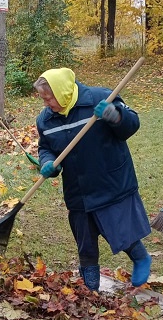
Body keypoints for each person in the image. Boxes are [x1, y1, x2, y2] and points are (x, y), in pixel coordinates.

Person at [34, 67, 152, 291]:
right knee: (85, 239)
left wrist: (114, 115)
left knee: (118, 227)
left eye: (49, 98)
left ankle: (140, 257)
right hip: (78, 187)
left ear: (63, 92)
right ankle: (90, 289)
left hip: (109, 180)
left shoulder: (100, 98)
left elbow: (132, 125)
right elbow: (45, 147)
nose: (46, 104)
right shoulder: (46, 120)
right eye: (43, 99)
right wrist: (47, 163)